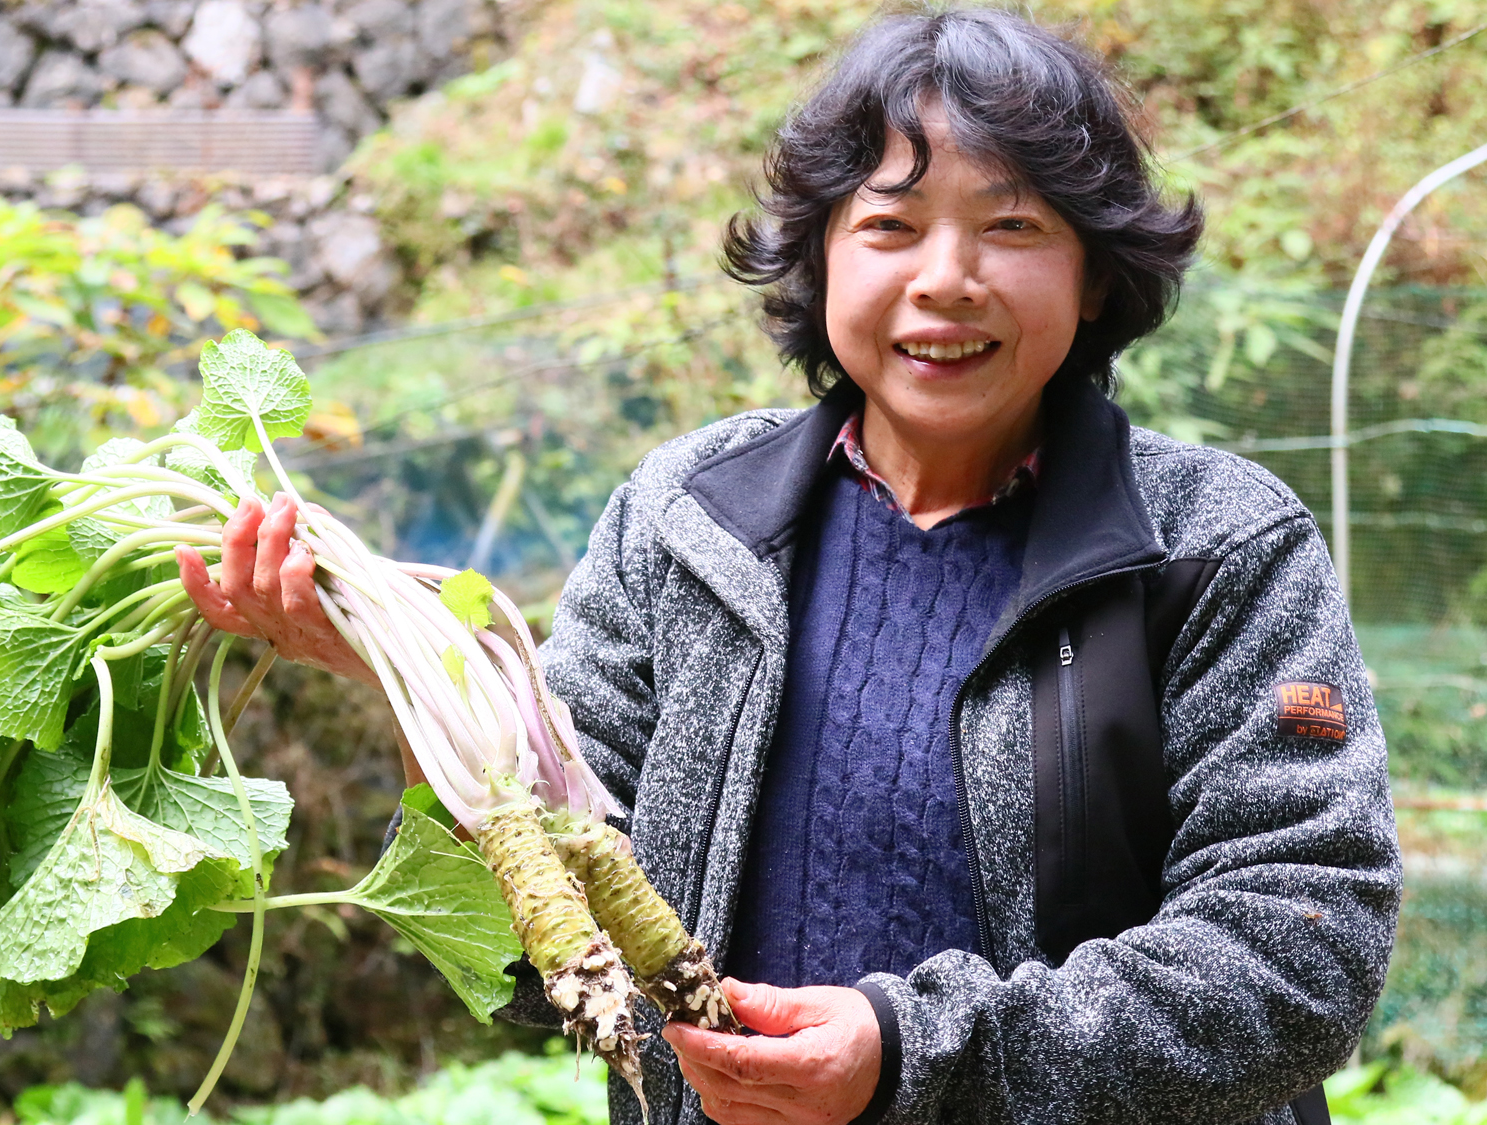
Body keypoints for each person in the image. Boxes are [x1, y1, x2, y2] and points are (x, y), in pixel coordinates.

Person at [178, 9, 1402, 1124]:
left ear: (1090, 277)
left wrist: (905, 1052)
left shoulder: (1212, 547)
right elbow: (539, 954)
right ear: (819, 262)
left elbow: (1299, 953)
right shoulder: (685, 522)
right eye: (889, 224)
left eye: (1012, 225)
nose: (943, 277)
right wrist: (409, 682)